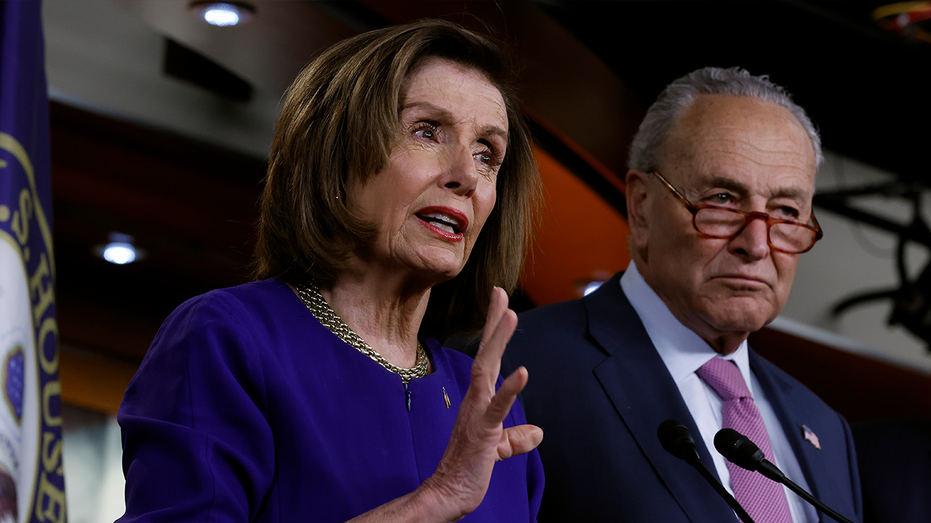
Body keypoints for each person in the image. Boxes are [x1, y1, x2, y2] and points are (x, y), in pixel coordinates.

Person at [117, 19, 544, 522]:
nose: (467, 176)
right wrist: (434, 502)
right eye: (426, 132)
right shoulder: (227, 339)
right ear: (335, 152)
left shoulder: (491, 403)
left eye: (487, 154)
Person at [501, 67, 862, 522]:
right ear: (641, 207)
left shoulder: (826, 427)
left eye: (787, 211)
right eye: (723, 200)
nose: (756, 244)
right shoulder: (516, 369)